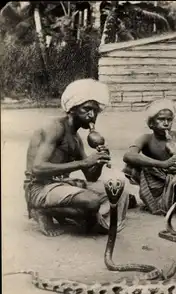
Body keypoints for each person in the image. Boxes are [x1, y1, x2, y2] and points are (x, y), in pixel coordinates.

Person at [24, 79, 130, 237]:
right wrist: (84, 162)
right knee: (92, 201)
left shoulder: (76, 139)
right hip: (39, 187)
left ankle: (88, 218)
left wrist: (99, 162)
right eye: (86, 109)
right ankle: (41, 210)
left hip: (61, 184)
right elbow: (38, 169)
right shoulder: (55, 127)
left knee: (120, 190)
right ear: (72, 109)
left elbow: (90, 176)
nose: (92, 115)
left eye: (95, 111)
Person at [122, 99, 176, 215]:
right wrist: (163, 164)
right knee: (129, 167)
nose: (166, 123)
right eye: (161, 119)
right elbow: (128, 155)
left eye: (169, 120)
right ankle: (158, 198)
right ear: (151, 124)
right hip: (157, 176)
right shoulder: (146, 138)